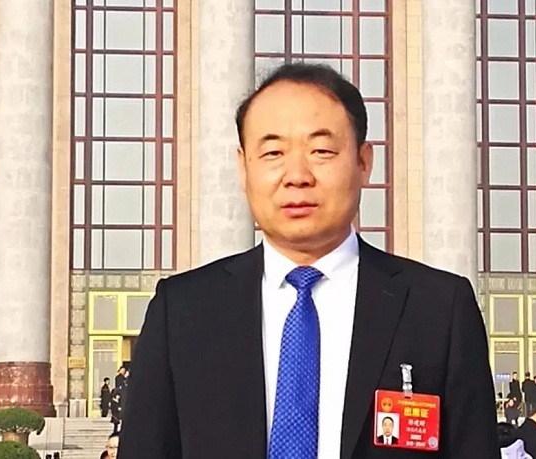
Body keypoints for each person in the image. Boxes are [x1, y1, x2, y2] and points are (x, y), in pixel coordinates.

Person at [118, 63, 498, 458]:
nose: (297, 175)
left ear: (363, 162)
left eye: (321, 151)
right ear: (243, 167)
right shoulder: (183, 310)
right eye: (273, 152)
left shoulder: (438, 309)